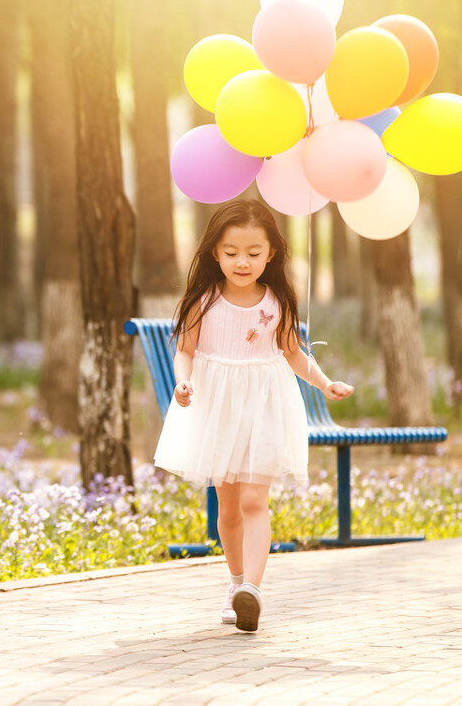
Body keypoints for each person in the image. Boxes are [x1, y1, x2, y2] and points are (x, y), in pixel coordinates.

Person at [153, 198, 353, 633]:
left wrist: (324, 383)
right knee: (227, 509)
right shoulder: (202, 301)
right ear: (214, 253)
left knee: (252, 500)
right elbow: (184, 352)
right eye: (231, 253)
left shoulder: (277, 299)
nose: (242, 262)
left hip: (264, 404)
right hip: (217, 408)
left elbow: (292, 353)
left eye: (253, 253)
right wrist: (182, 383)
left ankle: (253, 592)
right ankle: (236, 582)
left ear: (271, 254)